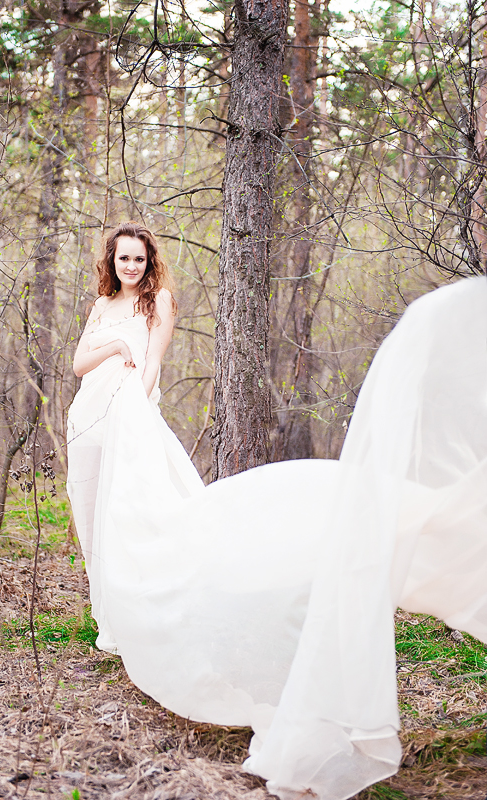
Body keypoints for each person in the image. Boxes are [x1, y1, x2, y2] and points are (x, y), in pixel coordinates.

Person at [68, 225, 487, 800]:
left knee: (140, 516)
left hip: (129, 420)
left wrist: (133, 405)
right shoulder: (101, 303)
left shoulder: (156, 299)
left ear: (150, 261)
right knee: (91, 519)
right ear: (111, 261)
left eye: (140, 258)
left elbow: (154, 361)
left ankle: (138, 613)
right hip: (86, 422)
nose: (132, 266)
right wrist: (114, 349)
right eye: (124, 258)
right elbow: (78, 364)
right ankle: (107, 618)